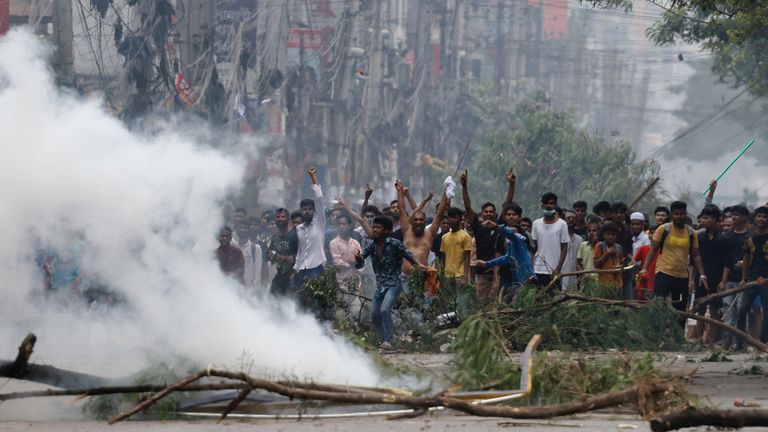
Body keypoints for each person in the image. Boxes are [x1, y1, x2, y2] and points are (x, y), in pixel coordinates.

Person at [354, 215, 427, 350]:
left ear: (387, 230)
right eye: (374, 227)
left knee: (384, 309)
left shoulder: (394, 243)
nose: (374, 230)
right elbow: (360, 263)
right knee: (375, 315)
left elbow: (409, 255)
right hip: (380, 285)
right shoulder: (372, 245)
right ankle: (383, 341)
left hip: (394, 284)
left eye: (378, 228)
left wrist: (419, 265)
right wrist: (358, 258)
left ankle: (389, 341)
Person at [640, 201, 709, 320]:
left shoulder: (691, 233)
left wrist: (702, 275)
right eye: (676, 214)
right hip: (663, 273)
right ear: (671, 215)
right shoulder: (663, 229)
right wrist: (644, 269)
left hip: (682, 276)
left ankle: (679, 336)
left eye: (682, 214)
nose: (679, 217)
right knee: (659, 306)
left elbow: (696, 256)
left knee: (680, 310)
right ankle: (657, 335)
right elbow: (653, 250)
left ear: (686, 214)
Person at [460, 170, 502, 298]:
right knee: (482, 304)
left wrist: (511, 185)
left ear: (495, 214)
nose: (488, 214)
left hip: (499, 272)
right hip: (482, 272)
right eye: (486, 211)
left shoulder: (500, 228)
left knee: (498, 304)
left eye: (491, 212)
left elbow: (507, 204)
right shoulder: (478, 227)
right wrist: (464, 186)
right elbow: (468, 207)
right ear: (482, 214)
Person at [693, 205, 730, 344]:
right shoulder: (699, 237)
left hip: (717, 278)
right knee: (700, 309)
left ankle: (711, 340)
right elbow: (694, 259)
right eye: (703, 217)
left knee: (715, 311)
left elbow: (728, 262)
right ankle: (699, 340)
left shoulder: (724, 239)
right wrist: (693, 279)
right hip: (701, 278)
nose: (703, 220)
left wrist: (724, 281)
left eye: (706, 218)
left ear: (715, 220)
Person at [733, 206, 768, 348]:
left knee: (766, 312)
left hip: (766, 280)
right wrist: (744, 278)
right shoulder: (750, 238)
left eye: (765, 217)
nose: (762, 219)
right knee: (742, 310)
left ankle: (763, 342)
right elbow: (746, 258)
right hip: (752, 280)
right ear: (754, 219)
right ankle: (739, 343)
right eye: (759, 216)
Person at [294, 166, 327, 292]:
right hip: (302, 269)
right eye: (304, 209)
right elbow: (300, 251)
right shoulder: (298, 229)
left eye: (309, 209)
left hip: (316, 267)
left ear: (313, 211)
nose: (307, 211)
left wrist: (313, 177)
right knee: (298, 300)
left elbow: (319, 199)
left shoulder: (319, 223)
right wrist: (295, 269)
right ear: (301, 211)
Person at [329, 212, 363, 322]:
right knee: (340, 314)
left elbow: (361, 263)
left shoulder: (356, 243)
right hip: (340, 284)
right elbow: (337, 262)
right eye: (339, 224)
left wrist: (350, 262)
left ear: (349, 225)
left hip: (355, 283)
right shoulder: (334, 243)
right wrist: (352, 262)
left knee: (356, 312)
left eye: (344, 224)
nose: (341, 226)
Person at [531, 192, 569, 288]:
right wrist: (531, 267)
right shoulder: (536, 224)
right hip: (538, 269)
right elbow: (535, 247)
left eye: (551, 203)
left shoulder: (562, 224)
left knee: (554, 298)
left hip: (554, 269)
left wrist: (558, 268)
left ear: (555, 205)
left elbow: (564, 247)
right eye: (546, 203)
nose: (549, 206)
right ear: (542, 205)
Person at [722, 205, 750, 329]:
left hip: (745, 280)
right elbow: (725, 260)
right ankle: (728, 340)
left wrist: (745, 264)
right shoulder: (727, 236)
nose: (733, 217)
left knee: (742, 310)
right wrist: (723, 280)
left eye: (737, 215)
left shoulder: (751, 236)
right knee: (727, 309)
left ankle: (740, 341)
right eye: (733, 214)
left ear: (744, 217)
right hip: (729, 279)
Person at [267, 208, 298, 296]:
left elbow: (303, 256)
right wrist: (271, 256)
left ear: (288, 220)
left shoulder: (295, 235)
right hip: (280, 276)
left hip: (294, 277)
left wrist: (285, 258)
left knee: (291, 306)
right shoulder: (275, 237)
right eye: (278, 217)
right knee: (271, 302)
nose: (280, 218)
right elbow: (269, 254)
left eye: (283, 217)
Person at [440, 207, 473, 286]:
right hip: (447, 275)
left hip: (460, 275)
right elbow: (443, 257)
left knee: (461, 298)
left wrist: (465, 276)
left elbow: (467, 257)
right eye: (450, 217)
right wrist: (441, 274)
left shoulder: (465, 236)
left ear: (460, 219)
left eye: (454, 217)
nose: (452, 220)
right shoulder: (444, 237)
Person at [593, 222, 625, 294]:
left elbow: (622, 262)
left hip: (617, 283)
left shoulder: (619, 247)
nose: (610, 237)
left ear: (616, 236)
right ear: (603, 235)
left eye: (613, 234)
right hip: (604, 283)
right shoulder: (600, 246)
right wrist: (607, 254)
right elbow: (596, 264)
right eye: (608, 234)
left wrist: (621, 266)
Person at [234, 220, 262, 291]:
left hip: (250, 289)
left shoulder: (255, 248)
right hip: (235, 287)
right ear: (236, 230)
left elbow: (257, 272)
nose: (242, 230)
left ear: (249, 230)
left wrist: (255, 289)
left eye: (245, 228)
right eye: (240, 228)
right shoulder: (233, 247)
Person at [561, 210, 584, 290]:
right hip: (560, 275)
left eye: (573, 218)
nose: (571, 220)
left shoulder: (580, 240)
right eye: (568, 218)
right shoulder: (558, 238)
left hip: (574, 277)